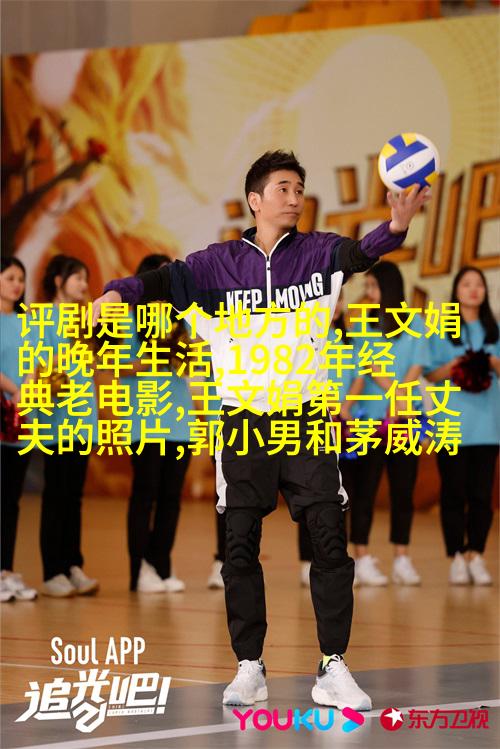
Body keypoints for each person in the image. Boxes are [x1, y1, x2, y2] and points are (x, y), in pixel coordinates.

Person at [93, 150, 430, 709]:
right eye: (283, 188)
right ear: (255, 199)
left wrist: (395, 227)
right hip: (243, 424)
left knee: (329, 539)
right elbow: (162, 279)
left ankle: (333, 665)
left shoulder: (318, 253)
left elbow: (360, 252)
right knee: (240, 546)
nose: (294, 198)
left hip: (307, 419)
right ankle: (249, 665)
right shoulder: (217, 264)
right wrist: (116, 292)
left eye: (299, 188)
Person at [347, 262, 430, 586]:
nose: (368, 293)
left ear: (390, 288)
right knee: (364, 491)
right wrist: (396, 393)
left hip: (405, 421)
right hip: (370, 420)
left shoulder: (415, 323)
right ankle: (361, 556)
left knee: (403, 491)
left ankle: (402, 558)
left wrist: (400, 399)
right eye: (367, 287)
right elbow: (367, 365)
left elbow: (417, 365)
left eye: (373, 286)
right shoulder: (362, 325)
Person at [122, 254, 192, 593]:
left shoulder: (180, 319)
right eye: (163, 274)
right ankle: (139, 569)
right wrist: (157, 355)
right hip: (145, 420)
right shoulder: (127, 318)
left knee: (171, 497)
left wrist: (183, 352)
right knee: (145, 495)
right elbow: (117, 365)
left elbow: (188, 365)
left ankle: (161, 563)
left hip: (179, 422)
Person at [425, 266, 499, 585]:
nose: (473, 289)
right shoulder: (443, 329)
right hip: (450, 425)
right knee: (453, 493)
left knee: (482, 495)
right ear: (456, 291)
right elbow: (429, 374)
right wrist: (455, 365)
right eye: (466, 284)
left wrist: (491, 363)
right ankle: (456, 555)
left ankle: (476, 555)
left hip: (487, 426)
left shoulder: (494, 329)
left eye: (478, 284)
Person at [36, 255, 99, 597]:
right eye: (77, 277)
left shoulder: (86, 318)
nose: (84, 285)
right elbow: (39, 369)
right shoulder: (41, 318)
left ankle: (73, 564)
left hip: (83, 419)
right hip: (56, 419)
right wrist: (68, 353)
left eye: (85, 278)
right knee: (56, 494)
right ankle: (52, 571)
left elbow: (94, 365)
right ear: (58, 281)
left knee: (74, 496)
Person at [0, 257, 37, 602]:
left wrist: (26, 389)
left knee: (11, 500)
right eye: (10, 277)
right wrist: (14, 389)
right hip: (5, 410)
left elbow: (32, 363)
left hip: (20, 419)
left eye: (21, 279)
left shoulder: (26, 322)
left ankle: (6, 570)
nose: (17, 285)